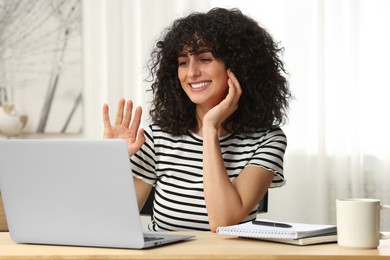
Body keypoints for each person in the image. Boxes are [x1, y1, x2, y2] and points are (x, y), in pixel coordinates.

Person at [102, 7, 292, 232]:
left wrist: (210, 128)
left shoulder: (267, 140)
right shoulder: (156, 138)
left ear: (238, 67)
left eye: (204, 58)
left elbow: (223, 222)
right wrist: (110, 161)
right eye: (183, 62)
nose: (191, 73)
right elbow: (111, 223)